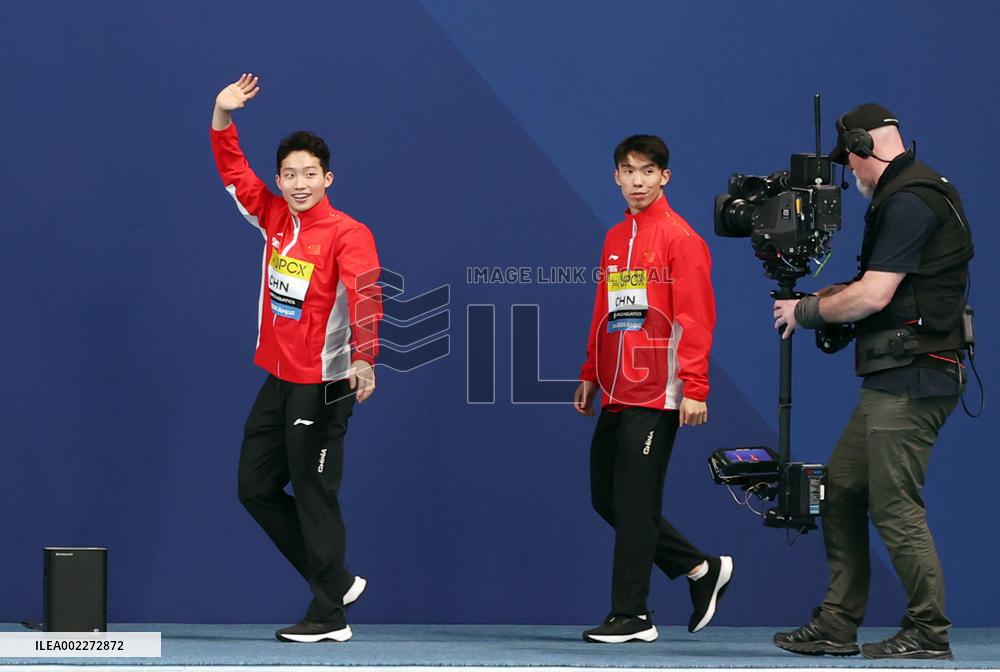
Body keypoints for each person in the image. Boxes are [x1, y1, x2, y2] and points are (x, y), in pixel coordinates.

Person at [771, 103, 973, 660]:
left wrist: (805, 312)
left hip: (915, 376)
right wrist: (819, 300)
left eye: (850, 163)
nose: (850, 175)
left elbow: (874, 296)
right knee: (840, 489)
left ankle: (929, 632)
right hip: (897, 377)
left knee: (894, 506)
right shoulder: (910, 191)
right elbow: (870, 284)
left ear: (862, 148)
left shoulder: (909, 201)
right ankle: (838, 624)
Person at [210, 74, 382, 643]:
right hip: (279, 378)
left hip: (326, 381)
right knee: (253, 486)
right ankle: (335, 578)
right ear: (279, 179)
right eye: (289, 174)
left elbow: (364, 296)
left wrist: (364, 358)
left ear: (327, 178)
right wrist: (221, 114)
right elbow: (235, 175)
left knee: (314, 492)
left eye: (310, 175)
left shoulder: (348, 233)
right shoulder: (275, 217)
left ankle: (329, 615)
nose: (299, 184)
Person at [573, 135, 733, 644]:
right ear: (616, 177)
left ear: (665, 176)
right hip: (619, 389)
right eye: (628, 171)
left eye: (648, 171)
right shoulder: (617, 237)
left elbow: (695, 316)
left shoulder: (681, 239)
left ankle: (632, 614)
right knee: (608, 497)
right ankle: (700, 569)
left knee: (637, 502)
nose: (637, 181)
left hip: (660, 391)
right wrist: (591, 372)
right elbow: (608, 311)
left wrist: (695, 386)